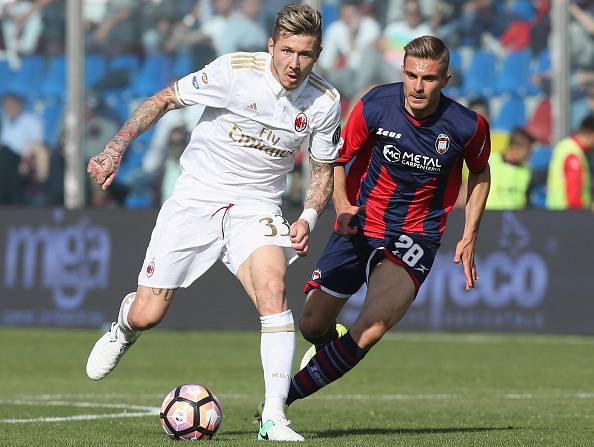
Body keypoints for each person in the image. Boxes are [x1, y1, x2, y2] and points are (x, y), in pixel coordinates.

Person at [85, 4, 341, 442]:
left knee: (273, 291)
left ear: (317, 55)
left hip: (256, 206)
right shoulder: (234, 72)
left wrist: (309, 216)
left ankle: (274, 418)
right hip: (197, 197)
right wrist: (115, 149)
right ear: (271, 46)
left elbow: (321, 170)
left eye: (305, 54)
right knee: (148, 313)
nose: (294, 63)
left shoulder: (324, 102)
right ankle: (124, 328)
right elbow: (163, 99)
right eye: (287, 51)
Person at [283, 35, 491, 407]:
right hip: (361, 223)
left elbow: (480, 172)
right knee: (312, 325)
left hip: (416, 236)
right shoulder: (376, 104)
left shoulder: (467, 126)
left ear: (445, 80)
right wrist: (342, 206)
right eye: (411, 75)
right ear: (403, 72)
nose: (417, 86)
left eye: (428, 78)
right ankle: (330, 348)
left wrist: (470, 233)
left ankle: (280, 401)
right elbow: (338, 159)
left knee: (372, 327)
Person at [546, 114, 594, 210]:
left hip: (557, 213)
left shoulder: (564, 146)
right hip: (571, 215)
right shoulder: (573, 155)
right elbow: (573, 198)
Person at [485, 127, 534, 210]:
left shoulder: (526, 170)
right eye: (526, 152)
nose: (529, 156)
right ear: (514, 148)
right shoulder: (490, 163)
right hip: (490, 214)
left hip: (517, 216)